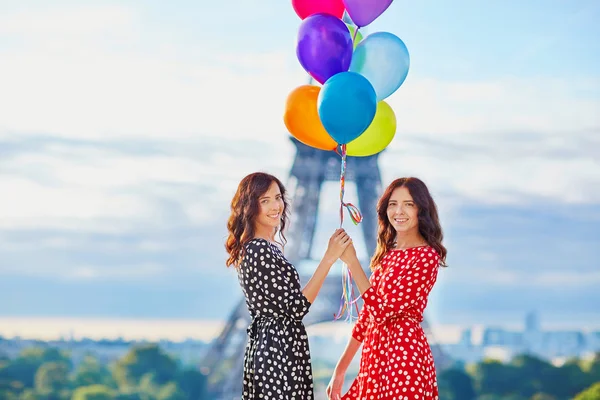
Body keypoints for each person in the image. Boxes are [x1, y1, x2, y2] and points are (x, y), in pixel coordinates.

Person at [225, 172, 352, 400]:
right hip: (277, 353)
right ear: (250, 207)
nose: (276, 206)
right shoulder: (259, 250)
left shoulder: (265, 247)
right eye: (265, 201)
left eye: (277, 197)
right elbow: (296, 308)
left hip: (279, 347)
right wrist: (329, 258)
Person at [326, 177, 447, 400]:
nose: (399, 211)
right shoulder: (387, 255)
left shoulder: (427, 256)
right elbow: (367, 318)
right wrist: (340, 370)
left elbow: (382, 312)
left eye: (408, 204)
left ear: (421, 209)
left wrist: (353, 262)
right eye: (393, 204)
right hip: (375, 356)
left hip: (404, 356)